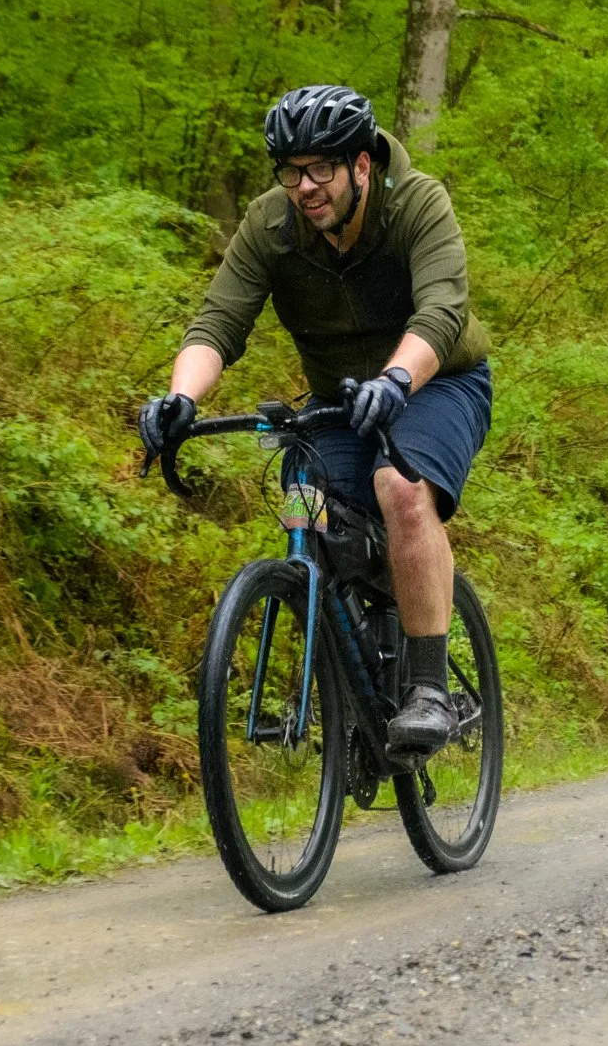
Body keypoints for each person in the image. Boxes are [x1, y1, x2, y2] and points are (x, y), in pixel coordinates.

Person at [137, 84, 493, 756]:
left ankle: (427, 688)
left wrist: (395, 379)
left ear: (361, 166)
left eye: (320, 168)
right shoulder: (270, 225)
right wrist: (181, 397)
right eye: (291, 170)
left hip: (437, 381)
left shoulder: (417, 203)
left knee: (400, 488)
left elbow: (442, 311)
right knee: (311, 513)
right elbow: (218, 322)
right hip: (338, 401)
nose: (304, 186)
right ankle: (360, 677)